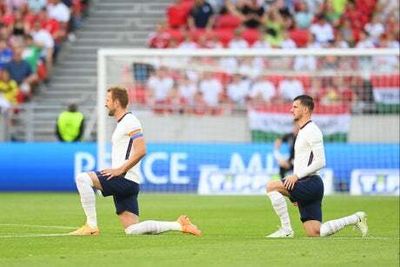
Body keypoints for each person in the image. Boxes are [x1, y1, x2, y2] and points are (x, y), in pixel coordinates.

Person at [69, 86, 201, 236]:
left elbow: (141, 150)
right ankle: (179, 225)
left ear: (117, 102)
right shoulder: (123, 123)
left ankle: (91, 226)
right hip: (130, 181)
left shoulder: (130, 121)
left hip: (123, 178)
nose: (106, 104)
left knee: (82, 179)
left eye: (107, 100)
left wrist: (120, 169)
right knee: (132, 230)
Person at [265, 95, 367, 238]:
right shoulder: (302, 130)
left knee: (271, 186)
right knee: (316, 232)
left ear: (305, 109)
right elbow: (302, 162)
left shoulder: (312, 130)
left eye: (295, 107)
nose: (291, 110)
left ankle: (286, 230)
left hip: (310, 183)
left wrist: (296, 177)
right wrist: (294, 195)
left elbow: (321, 161)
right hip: (306, 184)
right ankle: (356, 218)